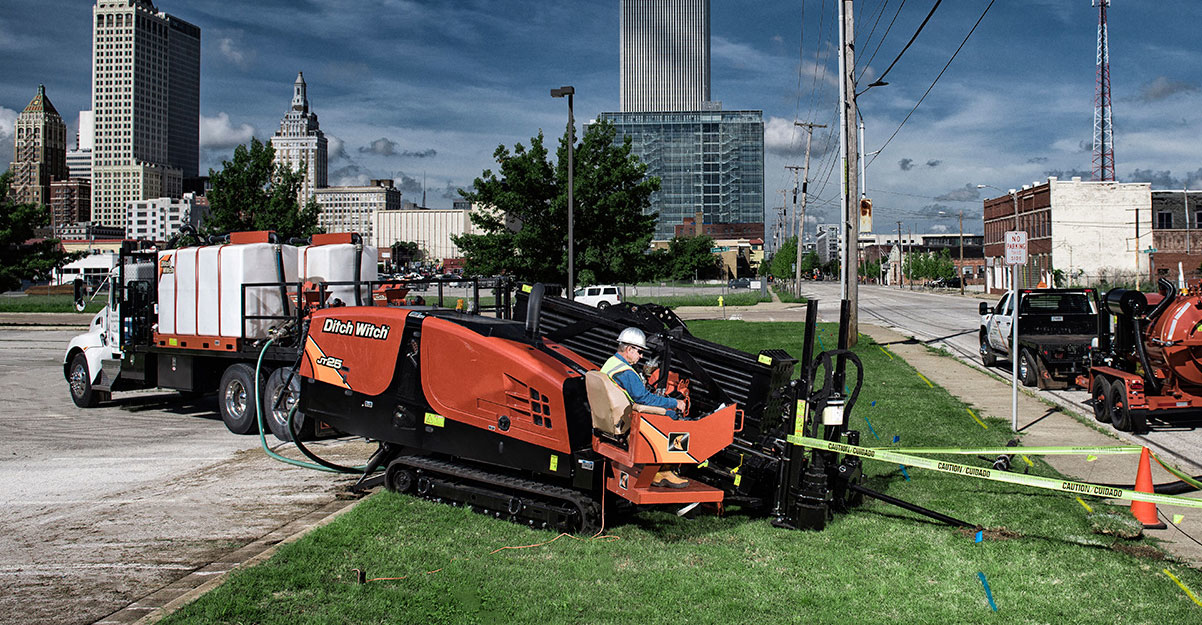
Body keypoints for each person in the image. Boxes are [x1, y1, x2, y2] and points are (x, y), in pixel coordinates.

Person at [601, 327, 690, 489]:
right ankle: (665, 470)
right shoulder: (626, 372)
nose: (641, 356)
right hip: (629, 419)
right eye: (639, 352)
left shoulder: (611, 363)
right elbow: (644, 398)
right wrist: (674, 403)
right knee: (674, 419)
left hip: (613, 419)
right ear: (629, 349)